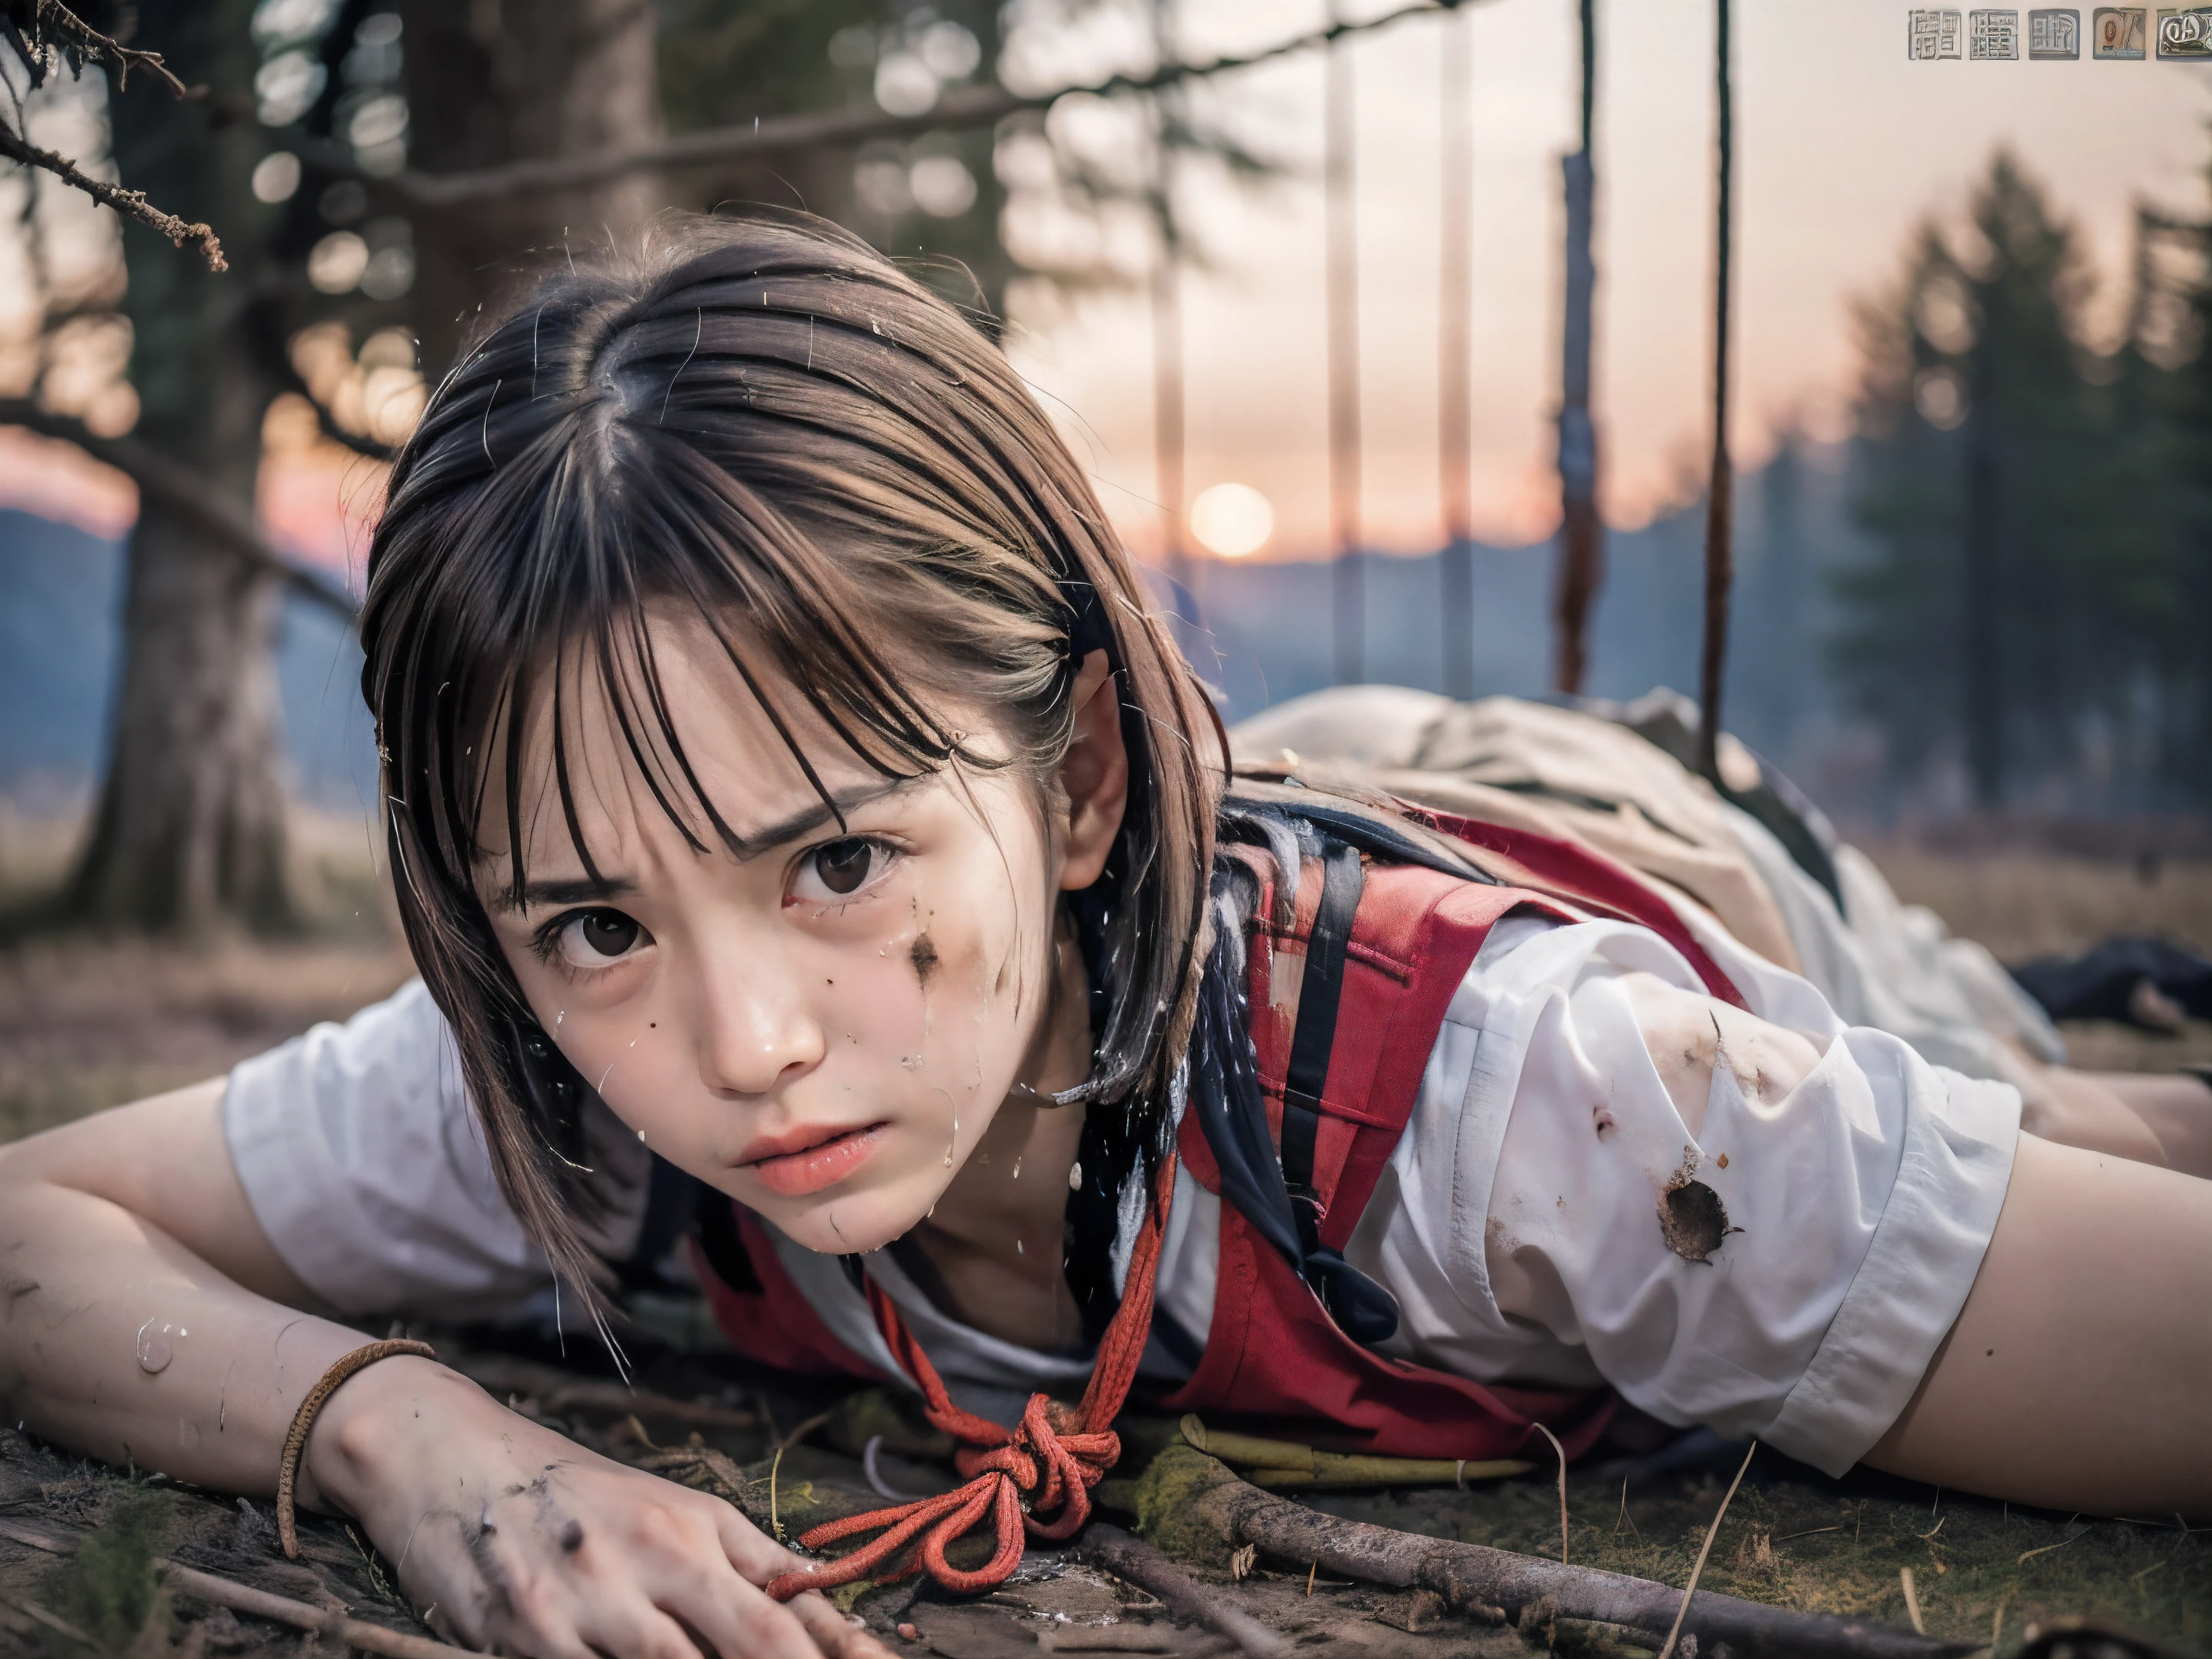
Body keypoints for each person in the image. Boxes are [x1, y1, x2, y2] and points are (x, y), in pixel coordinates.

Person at [2, 214, 2206, 1659]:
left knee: (2018, 1107)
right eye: (591, 916)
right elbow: (29, 1233)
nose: (741, 1043)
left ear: (1069, 781)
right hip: (1265, 793)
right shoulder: (559, 1096)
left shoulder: (1538, 1106)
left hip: (1641, 850)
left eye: (832, 865)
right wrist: (432, 1448)